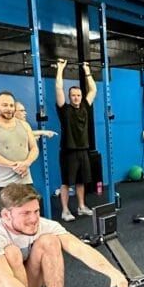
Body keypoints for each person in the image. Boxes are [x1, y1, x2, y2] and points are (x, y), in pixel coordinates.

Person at [0, 91, 38, 214]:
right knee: (1, 223)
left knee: (30, 219)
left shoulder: (24, 125)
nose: (9, 109)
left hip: (25, 182)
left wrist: (27, 163)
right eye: (4, 105)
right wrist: (14, 166)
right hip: (2, 184)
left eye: (11, 105)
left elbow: (34, 148)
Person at [55, 58, 97, 222]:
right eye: (73, 95)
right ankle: (65, 211)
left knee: (81, 181)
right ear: (69, 96)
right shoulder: (64, 109)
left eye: (78, 95)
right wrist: (60, 69)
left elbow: (93, 89)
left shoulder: (86, 106)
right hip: (68, 151)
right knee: (66, 183)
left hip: (83, 150)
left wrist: (87, 70)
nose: (76, 98)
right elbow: (58, 87)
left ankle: (81, 206)